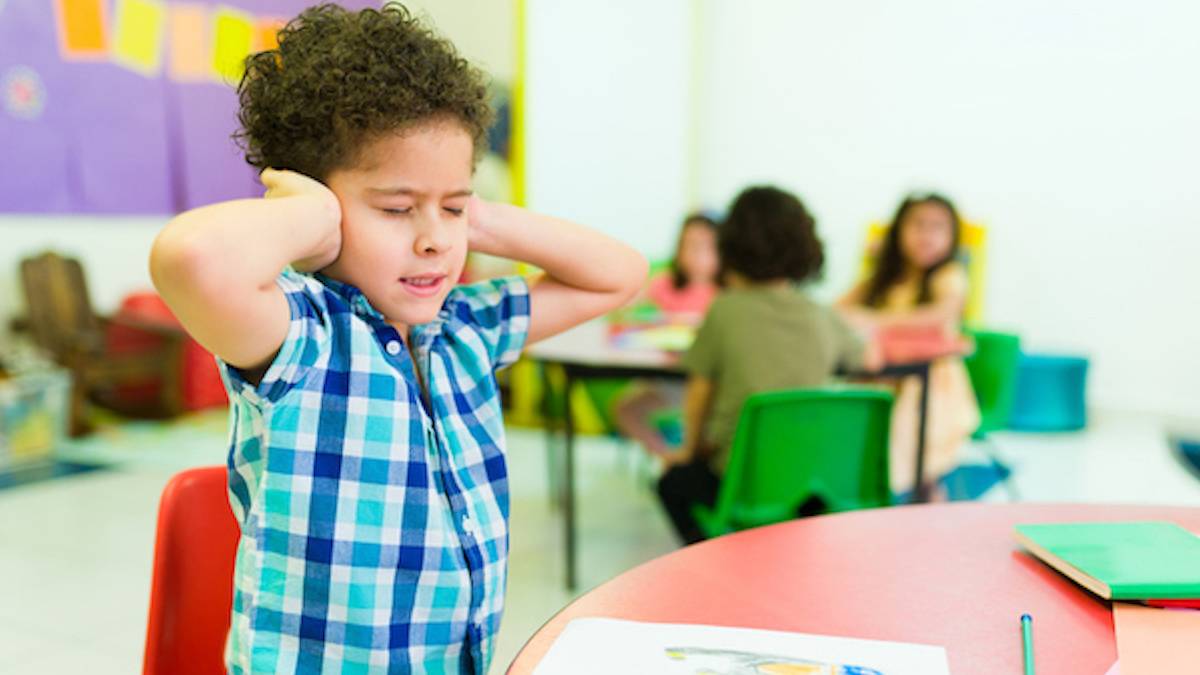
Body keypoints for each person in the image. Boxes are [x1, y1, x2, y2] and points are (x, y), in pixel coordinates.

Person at [148, 5, 646, 672]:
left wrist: (475, 217)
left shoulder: (465, 330)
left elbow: (619, 275)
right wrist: (315, 215)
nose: (434, 238)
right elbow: (192, 259)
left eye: (453, 206)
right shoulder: (301, 334)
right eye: (395, 208)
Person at [657, 186, 877, 545]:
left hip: (742, 482)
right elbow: (869, 359)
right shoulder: (819, 313)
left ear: (730, 246)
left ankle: (712, 557)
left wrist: (689, 450)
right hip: (815, 485)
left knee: (672, 483)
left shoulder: (725, 310)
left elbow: (699, 394)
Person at [837, 193, 980, 496]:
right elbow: (838, 310)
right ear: (898, 230)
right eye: (918, 225)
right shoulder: (882, 279)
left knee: (909, 430)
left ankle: (917, 493)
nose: (926, 236)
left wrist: (875, 319)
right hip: (884, 379)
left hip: (934, 385)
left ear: (952, 237)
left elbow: (942, 313)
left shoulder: (948, 275)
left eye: (938, 227)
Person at [613, 213, 719, 455]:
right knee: (625, 409)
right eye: (689, 246)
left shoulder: (723, 293)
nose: (697, 255)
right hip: (664, 378)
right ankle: (668, 459)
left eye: (706, 247)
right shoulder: (665, 283)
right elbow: (627, 308)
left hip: (703, 382)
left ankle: (688, 459)